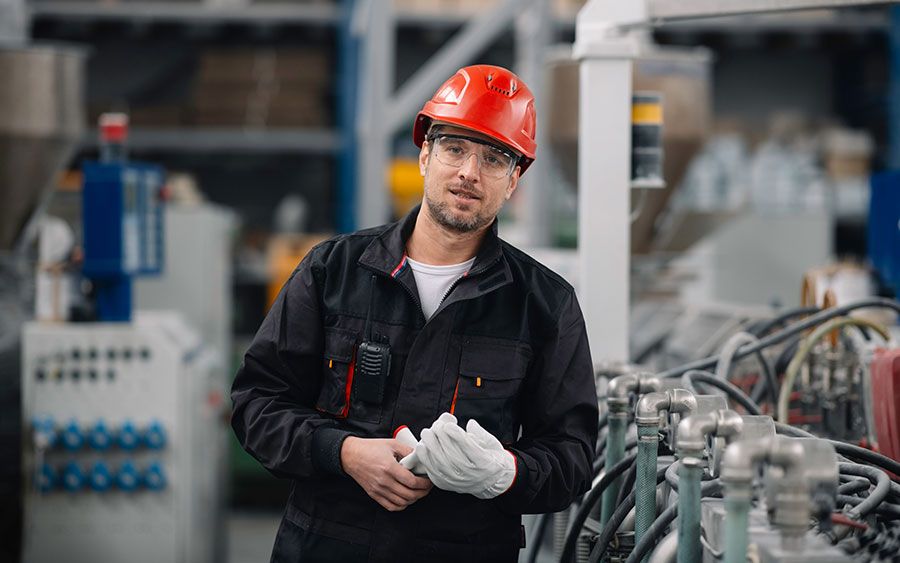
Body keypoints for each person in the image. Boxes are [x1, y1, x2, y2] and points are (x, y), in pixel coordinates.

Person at [231, 64, 598, 563]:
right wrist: (343, 452)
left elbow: (571, 459)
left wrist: (503, 473)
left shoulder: (545, 304)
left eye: (494, 158)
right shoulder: (332, 271)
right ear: (425, 155)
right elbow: (256, 405)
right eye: (455, 148)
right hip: (328, 547)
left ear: (513, 182)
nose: (470, 172)